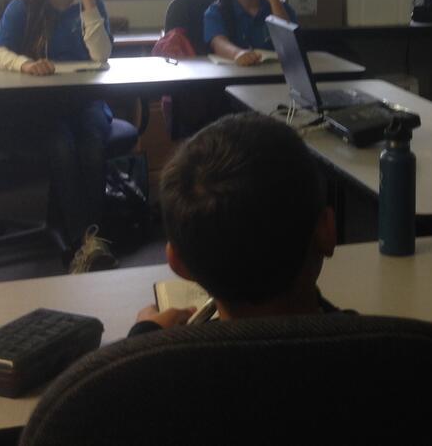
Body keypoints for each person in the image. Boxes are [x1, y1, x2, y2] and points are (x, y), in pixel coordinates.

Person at [128, 112, 338, 335]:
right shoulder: (376, 349)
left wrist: (143, 334)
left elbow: (130, 364)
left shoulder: (146, 365)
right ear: (328, 230)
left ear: (178, 263)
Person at [0, 0, 117, 271]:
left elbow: (101, 55)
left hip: (85, 100)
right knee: (61, 146)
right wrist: (25, 65)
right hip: (42, 105)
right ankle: (81, 244)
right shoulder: (23, 7)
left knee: (92, 147)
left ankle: (95, 237)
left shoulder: (92, 4)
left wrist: (88, 7)